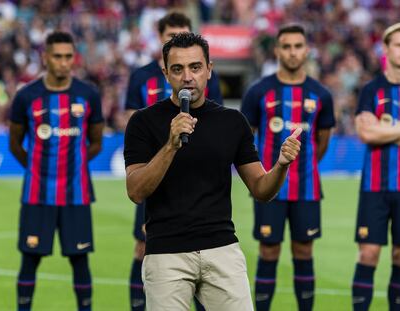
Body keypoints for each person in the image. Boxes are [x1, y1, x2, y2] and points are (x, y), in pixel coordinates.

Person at [124, 31, 302, 311]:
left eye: (195, 67)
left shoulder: (232, 121)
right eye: (178, 69)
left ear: (209, 69)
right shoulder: (143, 122)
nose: (187, 77)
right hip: (166, 254)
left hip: (221, 249)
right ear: (165, 73)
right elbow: (135, 191)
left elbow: (261, 189)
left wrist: (281, 166)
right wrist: (171, 145)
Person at [123, 11, 223, 311]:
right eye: (171, 37)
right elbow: (131, 121)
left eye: (183, 35)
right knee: (143, 244)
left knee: (203, 248)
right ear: (160, 39)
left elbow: (212, 117)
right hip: (154, 168)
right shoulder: (141, 76)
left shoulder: (202, 77)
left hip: (193, 171)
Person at [241, 24, 335, 311]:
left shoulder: (321, 94)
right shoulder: (259, 91)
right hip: (269, 189)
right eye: (286, 46)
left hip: (306, 188)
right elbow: (245, 140)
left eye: (298, 46)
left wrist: (304, 167)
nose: (292, 52)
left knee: (304, 251)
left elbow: (322, 142)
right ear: (277, 50)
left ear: (306, 50)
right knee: (268, 250)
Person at [9, 31, 103, 311]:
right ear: (45, 57)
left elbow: (96, 142)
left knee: (80, 259)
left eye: (68, 57)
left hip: (77, 195)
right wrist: (37, 168)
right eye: (58, 56)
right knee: (29, 258)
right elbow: (15, 144)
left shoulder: (88, 94)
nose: (64, 63)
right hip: (37, 195)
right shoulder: (27, 96)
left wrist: (74, 165)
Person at [352, 22, 400, 311]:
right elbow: (366, 133)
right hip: (375, 186)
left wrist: (388, 130)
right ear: (386, 49)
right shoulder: (372, 89)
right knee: (368, 253)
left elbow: (377, 131)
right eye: (398, 44)